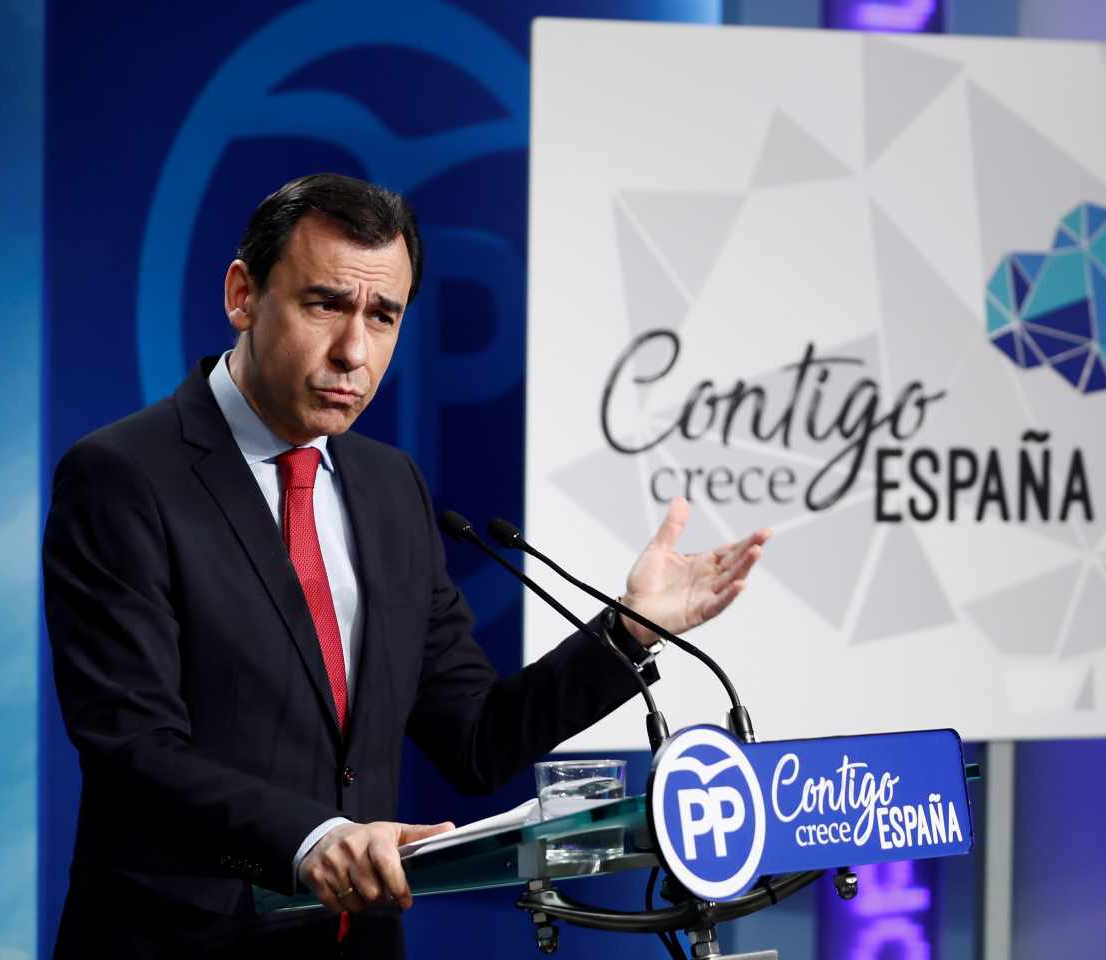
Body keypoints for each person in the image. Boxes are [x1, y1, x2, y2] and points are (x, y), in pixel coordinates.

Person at [43, 173, 770, 957]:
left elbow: (476, 738)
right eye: (325, 304)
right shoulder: (123, 475)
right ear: (242, 295)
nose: (354, 351)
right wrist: (314, 837)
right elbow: (133, 750)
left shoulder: (388, 485)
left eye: (382, 316)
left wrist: (627, 633)